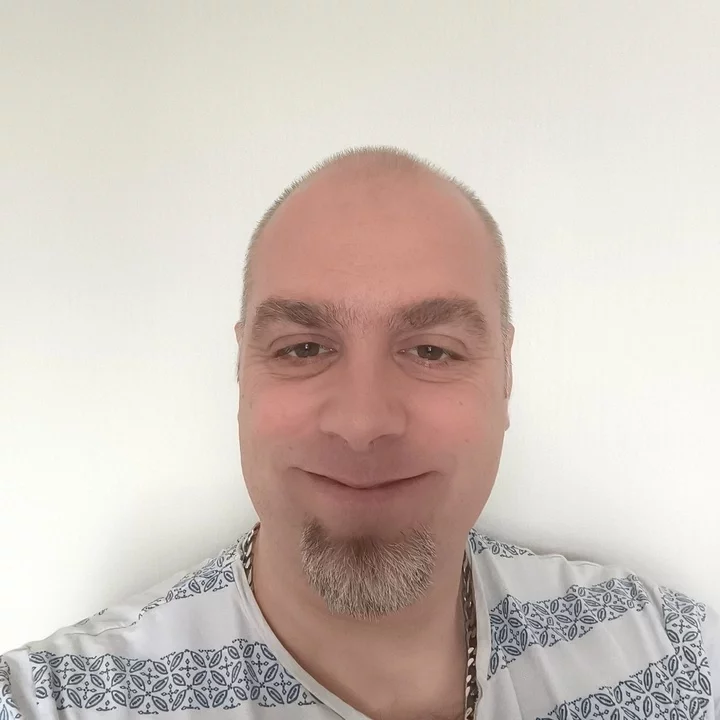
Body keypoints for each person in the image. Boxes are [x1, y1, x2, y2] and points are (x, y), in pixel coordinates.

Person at [1, 146, 718, 720]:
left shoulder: (672, 654)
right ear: (242, 373)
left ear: (505, 374)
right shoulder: (54, 702)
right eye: (303, 348)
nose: (363, 423)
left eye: (432, 350)